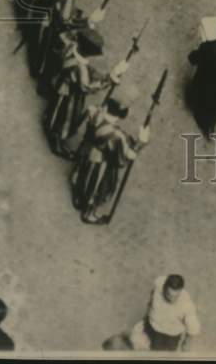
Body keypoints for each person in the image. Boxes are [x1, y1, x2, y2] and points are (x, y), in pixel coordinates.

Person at [44, 21, 125, 158]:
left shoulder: (72, 48)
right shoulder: (79, 68)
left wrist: (108, 75)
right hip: (69, 93)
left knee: (56, 108)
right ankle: (56, 139)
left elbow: (89, 72)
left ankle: (50, 121)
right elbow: (86, 87)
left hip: (60, 83)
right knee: (66, 116)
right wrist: (108, 80)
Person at [70, 94, 150, 224]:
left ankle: (78, 198)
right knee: (97, 186)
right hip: (100, 163)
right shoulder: (117, 136)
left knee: (82, 176)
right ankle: (88, 213)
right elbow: (127, 156)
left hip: (87, 152)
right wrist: (141, 142)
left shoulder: (96, 113)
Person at [131, 274, 201, 352]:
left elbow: (192, 328)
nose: (172, 299)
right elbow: (151, 301)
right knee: (138, 343)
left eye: (175, 296)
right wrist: (146, 318)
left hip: (169, 335)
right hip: (152, 326)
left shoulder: (186, 304)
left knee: (159, 356)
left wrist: (186, 343)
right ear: (164, 287)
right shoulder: (158, 284)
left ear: (180, 291)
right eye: (169, 295)